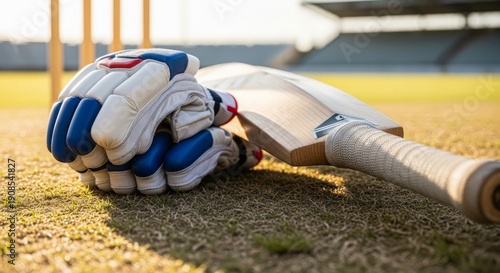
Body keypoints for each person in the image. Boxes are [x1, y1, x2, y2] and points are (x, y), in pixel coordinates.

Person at [47, 48, 262, 195]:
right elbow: (228, 108)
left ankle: (240, 146)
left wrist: (211, 102)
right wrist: (214, 103)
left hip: (221, 105)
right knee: (149, 161)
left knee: (148, 161)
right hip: (219, 104)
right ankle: (239, 146)